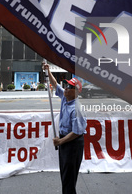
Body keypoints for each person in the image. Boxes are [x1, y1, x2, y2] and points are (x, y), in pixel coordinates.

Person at [43, 63, 87, 194]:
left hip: (72, 144)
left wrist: (61, 142)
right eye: (66, 86)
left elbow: (77, 132)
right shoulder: (65, 98)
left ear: (77, 91)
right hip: (64, 141)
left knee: (69, 177)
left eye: (70, 87)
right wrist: (48, 71)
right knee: (65, 175)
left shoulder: (77, 108)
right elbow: (55, 84)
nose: (66, 88)